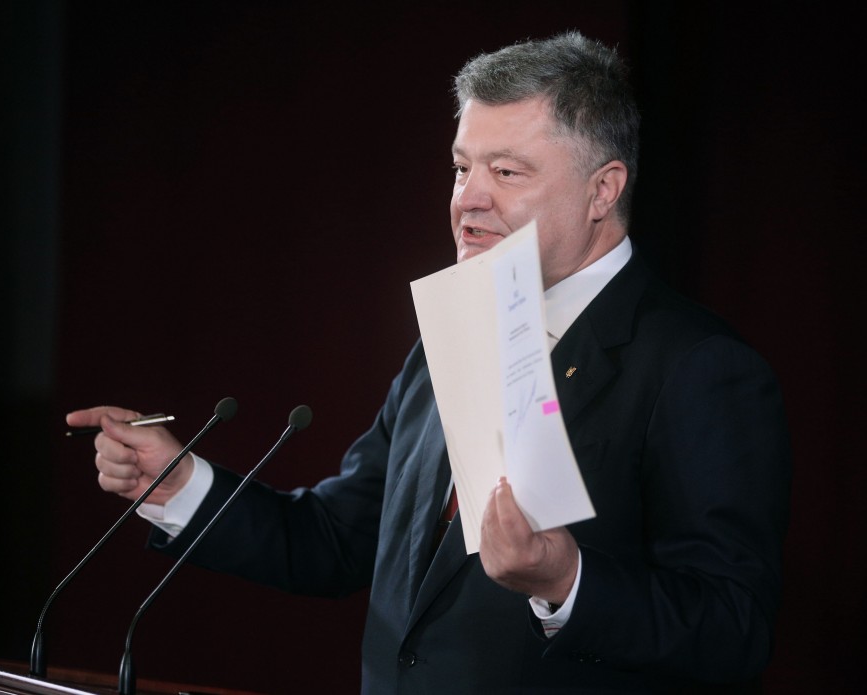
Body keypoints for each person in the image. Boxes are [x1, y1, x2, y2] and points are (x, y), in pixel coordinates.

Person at [67, 30, 791, 693]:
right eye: (461, 167)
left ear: (603, 189)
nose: (468, 199)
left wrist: (566, 581)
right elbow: (336, 541)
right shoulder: (452, 337)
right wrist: (180, 484)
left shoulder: (698, 367)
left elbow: (733, 629)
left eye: (506, 171)